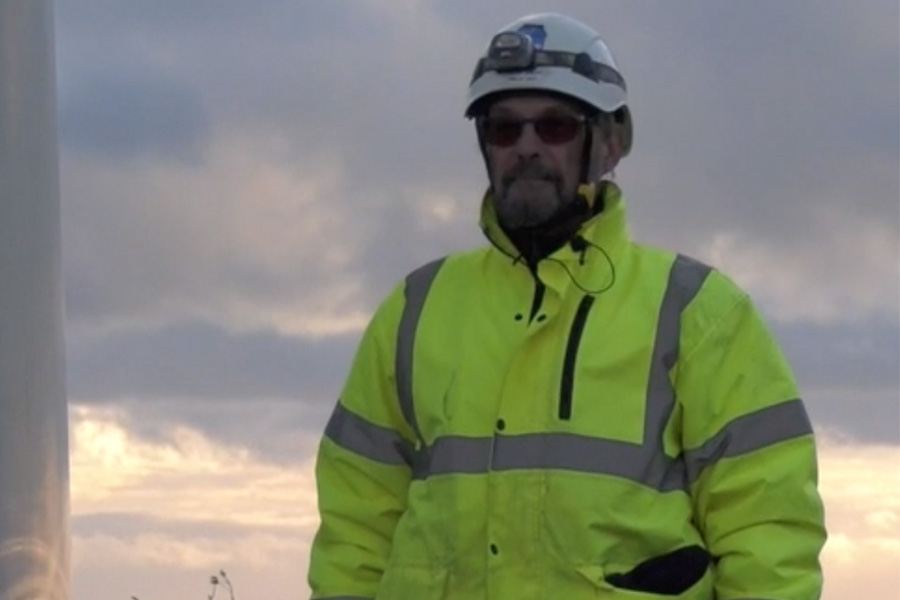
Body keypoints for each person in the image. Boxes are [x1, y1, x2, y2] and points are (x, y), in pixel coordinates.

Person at [308, 12, 826, 600]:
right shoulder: (413, 312)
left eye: (554, 127)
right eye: (504, 130)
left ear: (608, 142)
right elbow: (355, 528)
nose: (526, 148)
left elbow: (769, 534)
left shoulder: (699, 315)